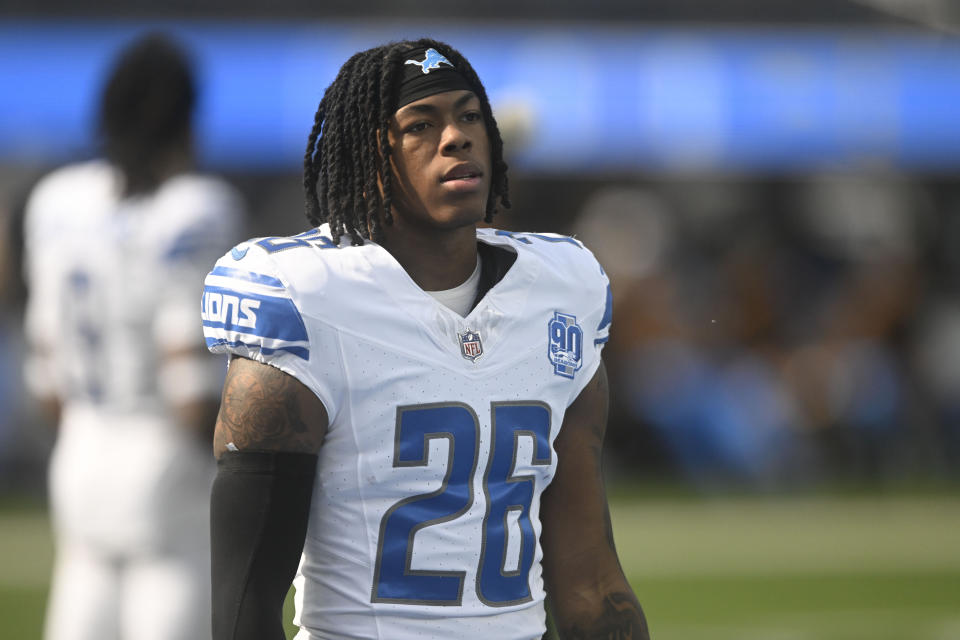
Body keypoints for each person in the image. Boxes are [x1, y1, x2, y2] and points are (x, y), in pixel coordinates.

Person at [203, 38, 649, 640]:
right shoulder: (309, 298)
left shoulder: (559, 292)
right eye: (422, 125)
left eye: (469, 117)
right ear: (369, 156)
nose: (457, 137)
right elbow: (243, 609)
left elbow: (591, 581)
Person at [23, 33, 243, 640]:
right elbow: (191, 389)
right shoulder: (194, 208)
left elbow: (46, 377)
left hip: (80, 446)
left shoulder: (57, 199)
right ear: (186, 116)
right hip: (161, 454)